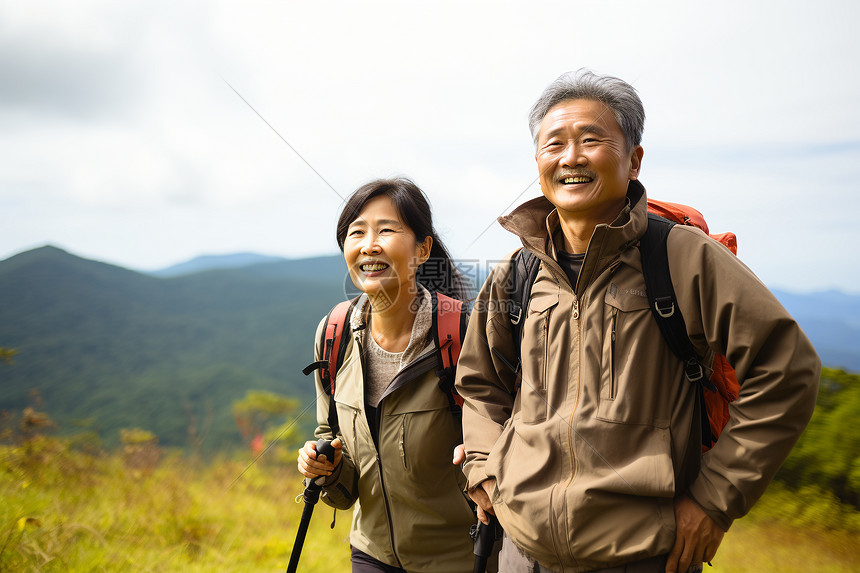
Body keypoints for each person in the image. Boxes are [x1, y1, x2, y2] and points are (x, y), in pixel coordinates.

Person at [455, 70, 821, 573]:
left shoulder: (682, 258)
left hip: (644, 556)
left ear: (634, 159)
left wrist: (715, 499)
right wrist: (484, 470)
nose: (571, 157)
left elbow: (787, 368)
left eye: (591, 140)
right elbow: (479, 382)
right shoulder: (519, 271)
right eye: (553, 143)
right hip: (522, 552)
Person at [297, 178, 481, 573]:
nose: (369, 244)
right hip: (371, 555)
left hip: (462, 558)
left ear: (422, 249)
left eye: (386, 230)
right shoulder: (334, 335)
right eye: (356, 232)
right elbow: (337, 460)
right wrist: (323, 467)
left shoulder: (463, 335)